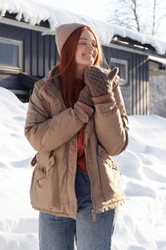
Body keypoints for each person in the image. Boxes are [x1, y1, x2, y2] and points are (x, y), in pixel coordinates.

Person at [24, 22, 129, 250]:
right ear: (67, 47)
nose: (91, 48)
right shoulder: (45, 89)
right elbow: (37, 138)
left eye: (93, 44)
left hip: (96, 189)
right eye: (83, 42)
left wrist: (103, 99)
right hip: (53, 188)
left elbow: (116, 144)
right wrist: (79, 111)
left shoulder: (108, 84)